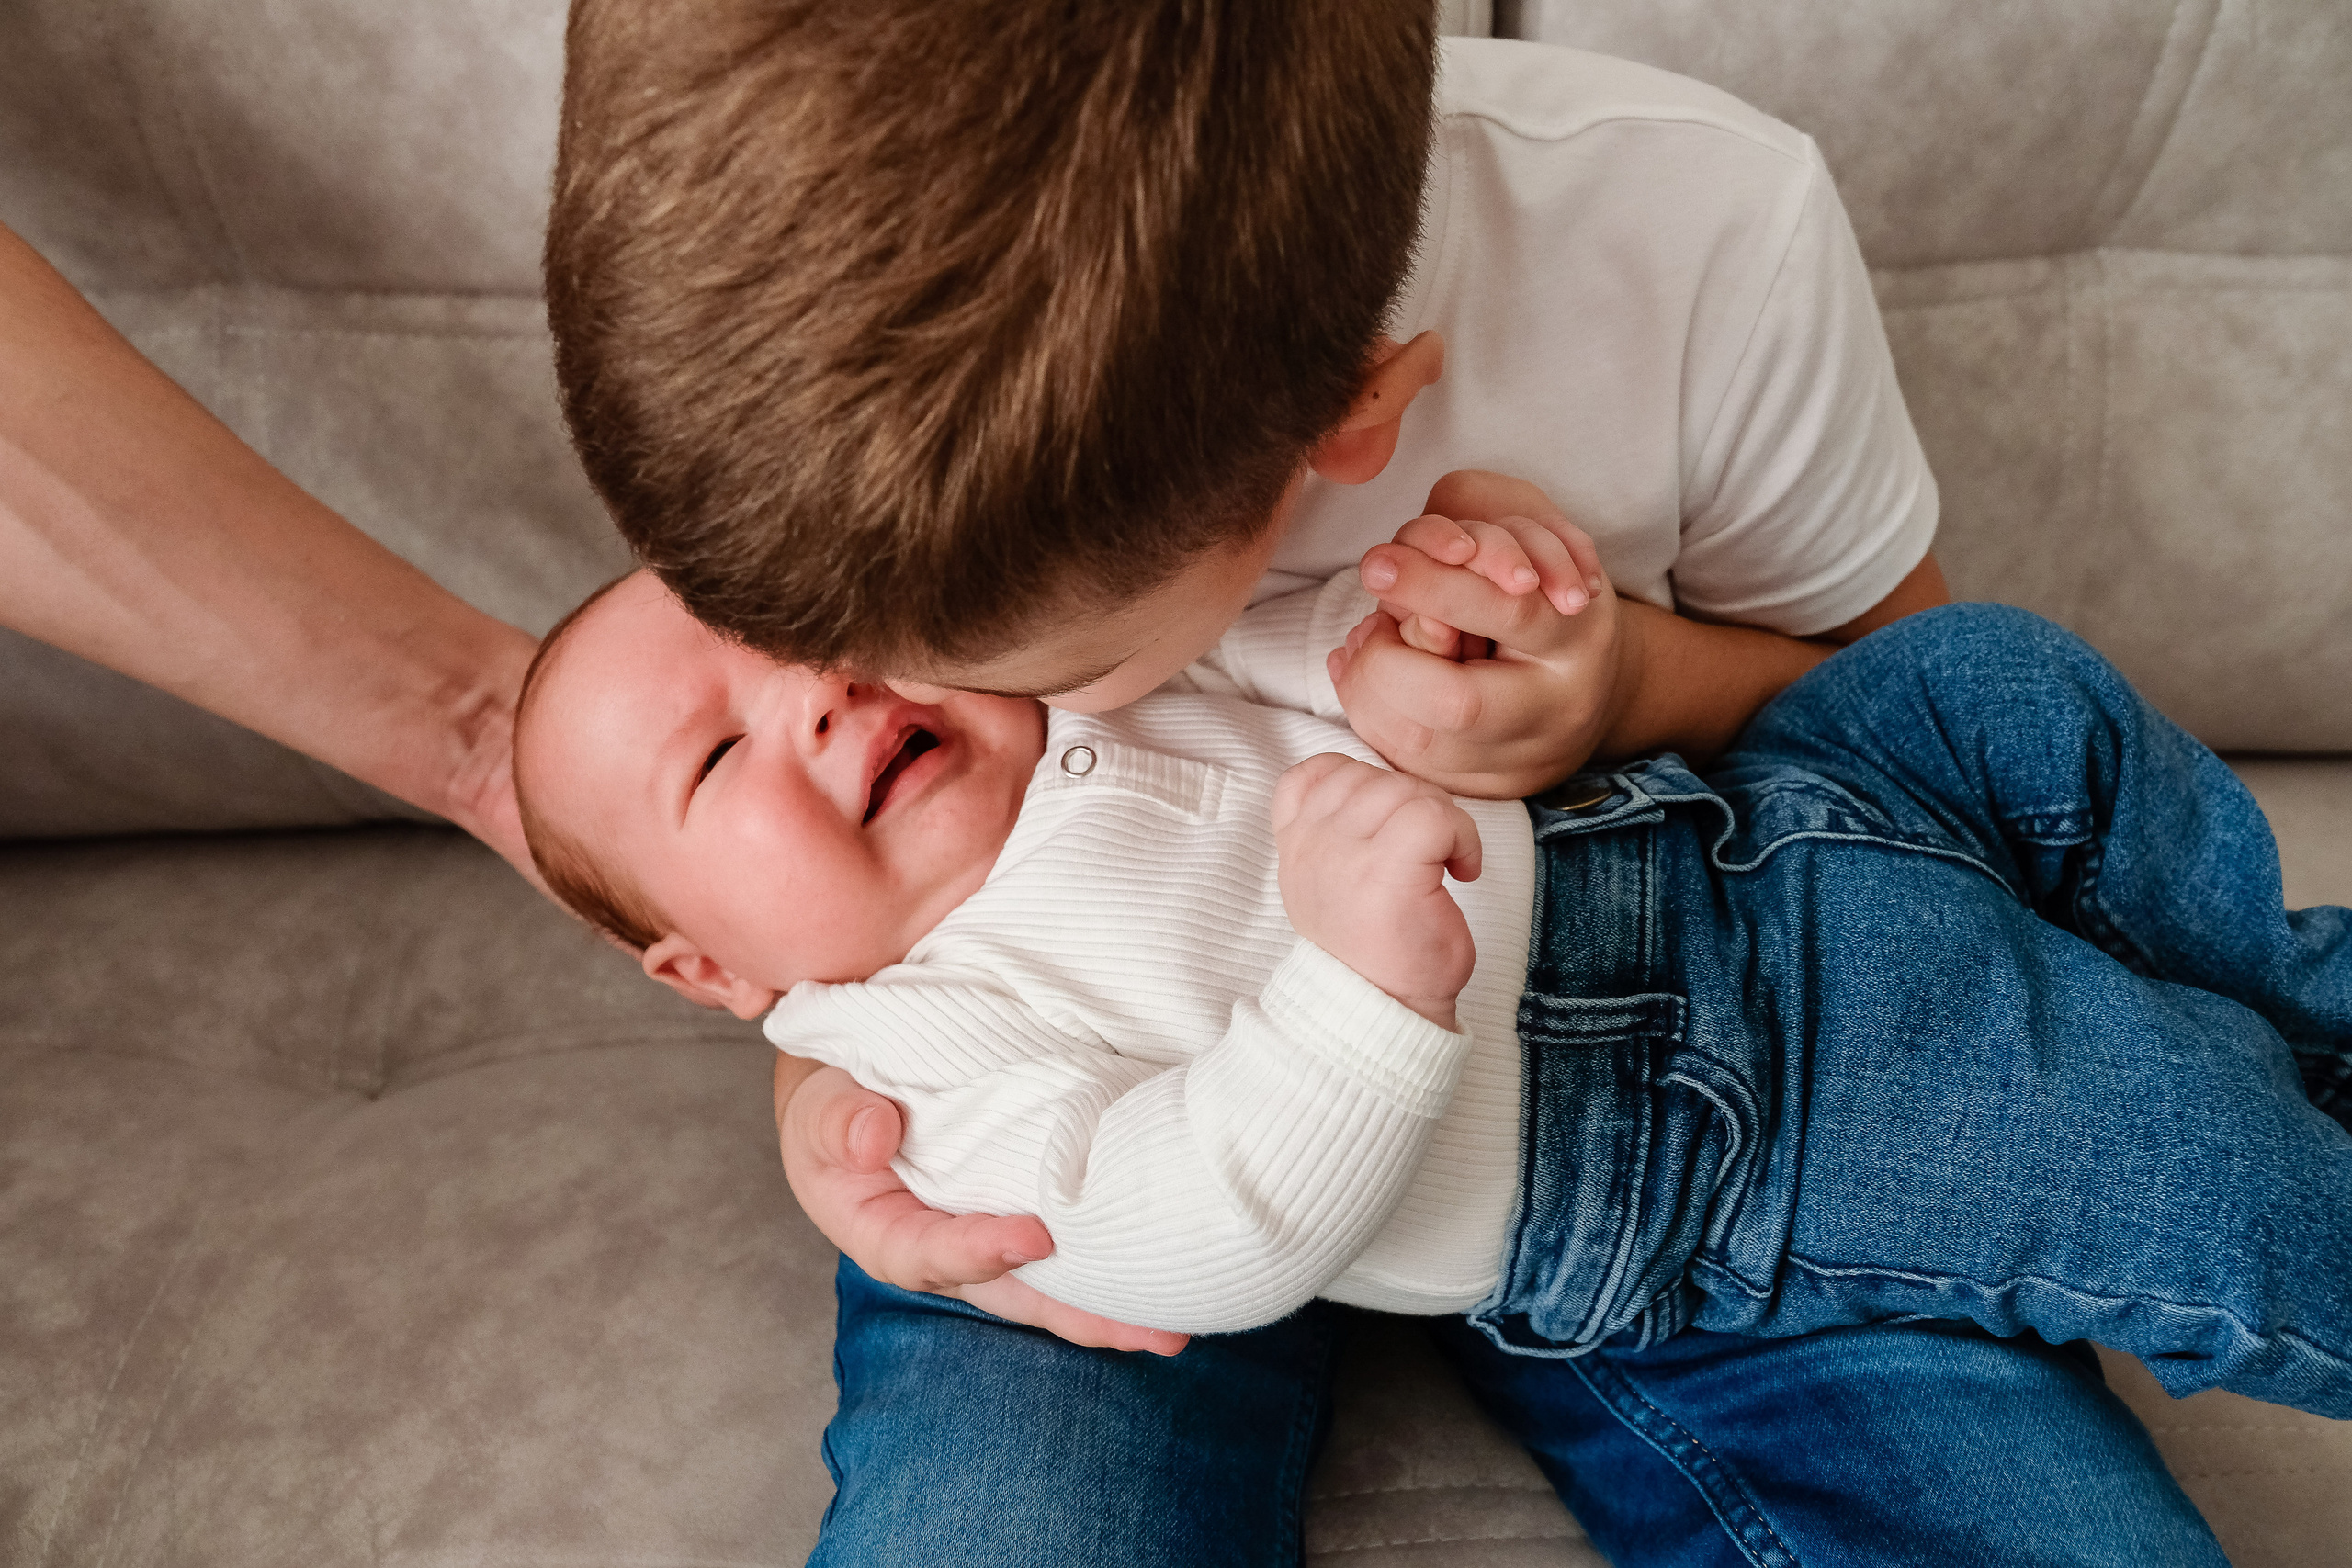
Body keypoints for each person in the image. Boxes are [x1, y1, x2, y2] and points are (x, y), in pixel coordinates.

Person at [539, 4, 2235, 1562]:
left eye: (991, 673)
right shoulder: (791, 329)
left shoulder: (1705, 240)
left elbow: (1913, 729)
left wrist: (1630, 684)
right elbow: (693, 869)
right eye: (787, 631)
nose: (839, 697)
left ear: (1349, 434)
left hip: (1669, 1079)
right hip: (1086, 1173)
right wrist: (834, 1064)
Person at [509, 554, 2352, 1421]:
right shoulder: (907, 1060)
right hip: (1701, 1129)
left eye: (809, 629)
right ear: (706, 964)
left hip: (1743, 818)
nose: (816, 696)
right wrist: (1351, 981)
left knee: (1995, 678)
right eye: (716, 757)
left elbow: (1268, 623)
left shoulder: (1056, 671)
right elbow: (1189, 1231)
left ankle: (2295, 991)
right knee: (2189, 1165)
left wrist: (1416, 626)